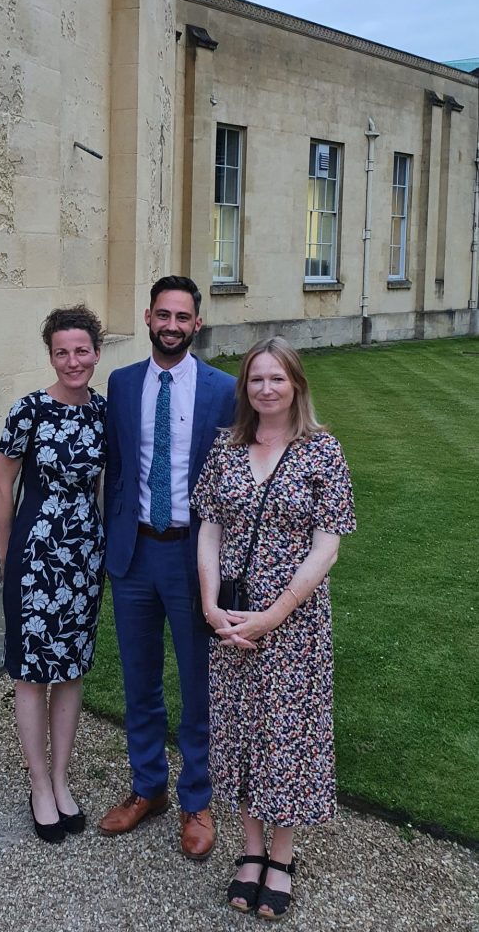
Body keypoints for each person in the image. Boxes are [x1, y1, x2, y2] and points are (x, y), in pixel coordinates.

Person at [190, 336, 356, 918]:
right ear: (246, 388)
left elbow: (326, 548)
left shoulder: (322, 451)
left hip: (294, 626)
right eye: (256, 379)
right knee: (239, 734)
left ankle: (281, 859)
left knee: (286, 738)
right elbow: (209, 528)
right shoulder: (226, 448)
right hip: (230, 620)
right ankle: (250, 851)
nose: (266, 389)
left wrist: (274, 614)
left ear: (296, 385)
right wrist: (211, 606)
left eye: (276, 379)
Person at [98, 275, 236, 860]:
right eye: (163, 315)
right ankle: (147, 786)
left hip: (193, 555)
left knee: (199, 684)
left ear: (196, 324)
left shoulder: (223, 389)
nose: (172, 326)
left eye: (183, 317)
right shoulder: (123, 383)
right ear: (148, 317)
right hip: (134, 553)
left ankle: (196, 800)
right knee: (140, 680)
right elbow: (116, 464)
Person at [0, 305, 106, 843]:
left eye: (81, 350)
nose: (72, 360)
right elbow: (1, 486)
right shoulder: (28, 412)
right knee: (32, 671)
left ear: (96, 353)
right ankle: (38, 784)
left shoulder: (103, 413)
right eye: (62, 351)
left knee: (72, 668)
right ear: (50, 355)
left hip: (84, 557)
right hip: (35, 554)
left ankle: (62, 779)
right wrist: (4, 553)